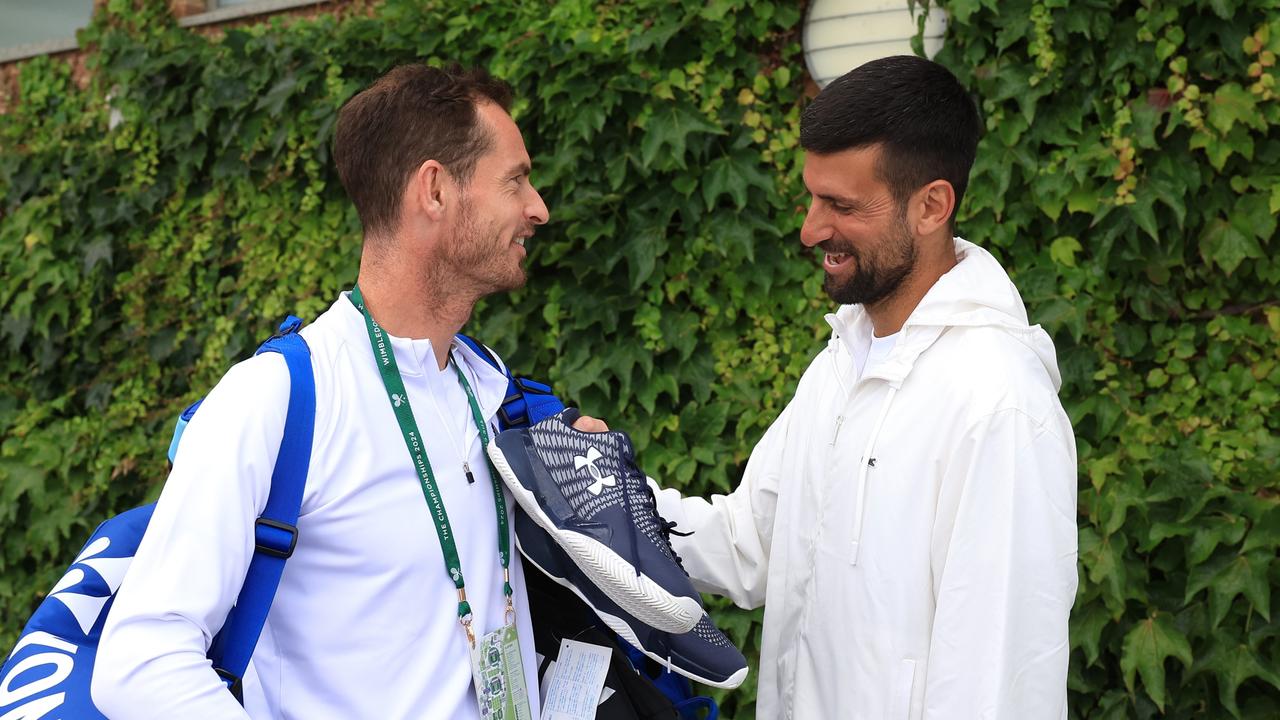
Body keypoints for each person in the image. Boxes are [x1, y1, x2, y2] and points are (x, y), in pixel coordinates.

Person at [93, 64, 578, 718]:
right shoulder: (277, 399)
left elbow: (657, 544)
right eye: (516, 180)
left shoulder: (491, 390)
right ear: (434, 191)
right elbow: (141, 659)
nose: (537, 207)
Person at [649, 55, 1079, 719]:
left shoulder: (998, 402)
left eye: (842, 205)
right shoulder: (843, 361)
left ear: (932, 205)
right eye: (814, 196)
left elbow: (995, 684)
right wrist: (603, 496)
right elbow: (750, 547)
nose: (811, 229)